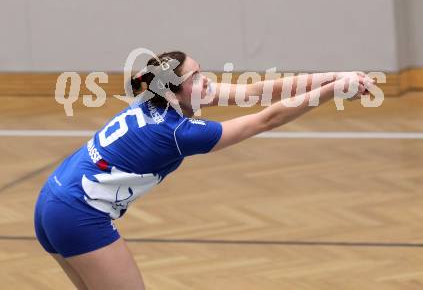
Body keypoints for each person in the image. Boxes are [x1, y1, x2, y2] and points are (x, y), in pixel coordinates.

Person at [34, 51, 373, 289]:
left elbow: (255, 92)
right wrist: (333, 92)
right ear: (172, 89)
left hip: (53, 199)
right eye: (197, 77)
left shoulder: (156, 96)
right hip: (78, 216)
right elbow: (267, 118)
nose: (207, 81)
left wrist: (338, 77)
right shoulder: (179, 133)